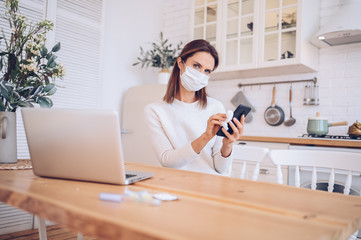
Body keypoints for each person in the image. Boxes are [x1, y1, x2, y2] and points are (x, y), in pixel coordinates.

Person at [144, 39, 245, 175]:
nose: (200, 75)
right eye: (196, 66)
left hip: (210, 185)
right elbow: (167, 160)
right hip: (175, 184)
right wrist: (205, 137)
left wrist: (227, 144)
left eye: (207, 71)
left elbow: (221, 169)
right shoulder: (155, 111)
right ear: (181, 63)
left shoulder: (215, 107)